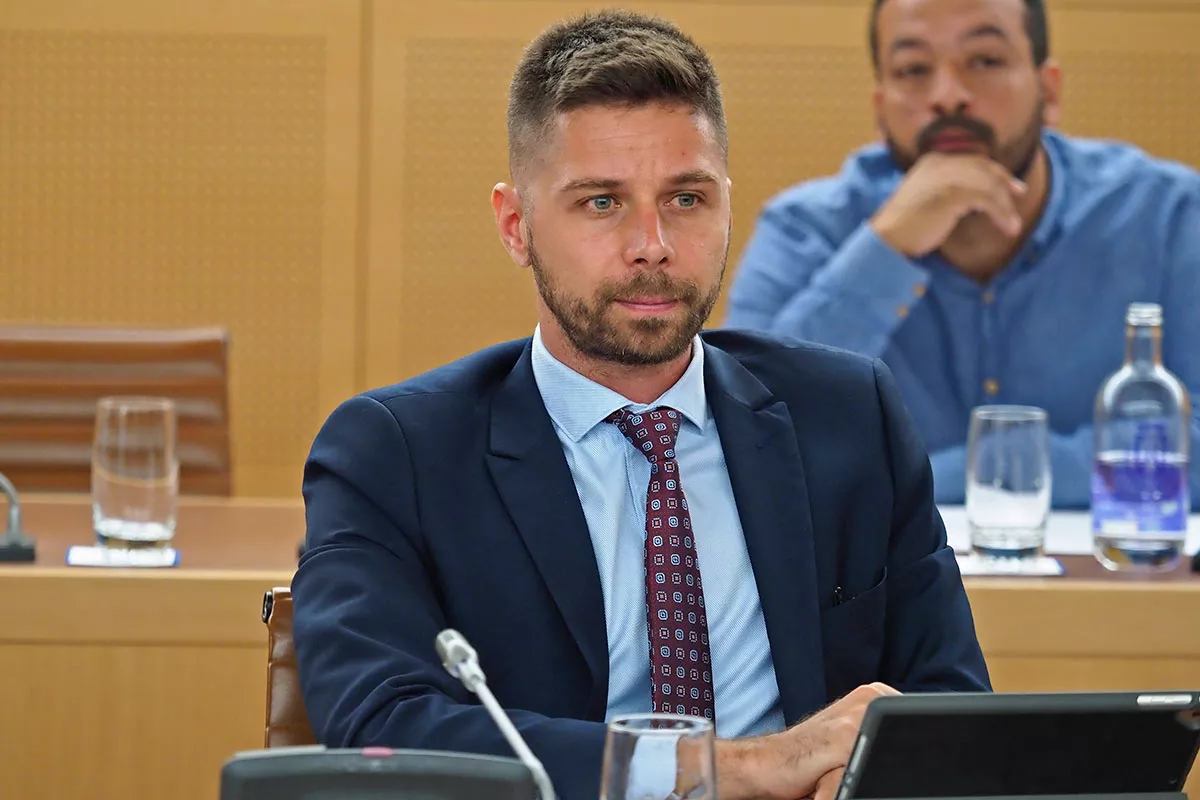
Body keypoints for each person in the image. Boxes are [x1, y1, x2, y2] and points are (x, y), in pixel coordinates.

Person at [292, 10, 989, 800]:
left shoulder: (849, 416)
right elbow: (385, 725)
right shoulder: (396, 454)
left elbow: (951, 711)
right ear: (516, 226)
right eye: (601, 203)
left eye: (686, 199)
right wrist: (748, 768)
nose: (652, 244)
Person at [724, 0, 1200, 507]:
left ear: (1050, 90)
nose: (948, 96)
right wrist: (887, 247)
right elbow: (741, 432)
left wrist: (938, 477)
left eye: (986, 60)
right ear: (881, 109)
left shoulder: (1166, 216)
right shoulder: (805, 229)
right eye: (913, 69)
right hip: (874, 586)